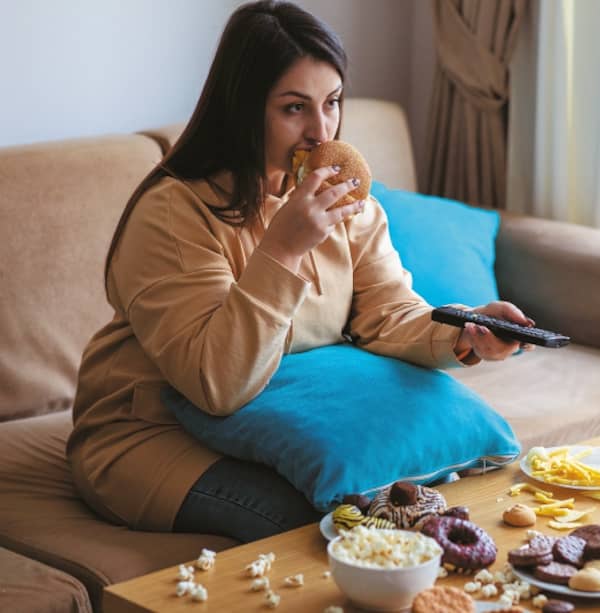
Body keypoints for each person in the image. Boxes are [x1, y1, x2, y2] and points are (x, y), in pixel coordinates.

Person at [67, 0, 533, 543]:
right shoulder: (174, 214)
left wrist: (466, 329)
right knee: (336, 530)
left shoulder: (346, 204)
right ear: (243, 109)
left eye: (331, 102)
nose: (320, 129)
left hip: (279, 421)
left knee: (421, 507)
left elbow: (389, 314)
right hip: (154, 433)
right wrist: (282, 251)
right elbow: (217, 384)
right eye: (294, 108)